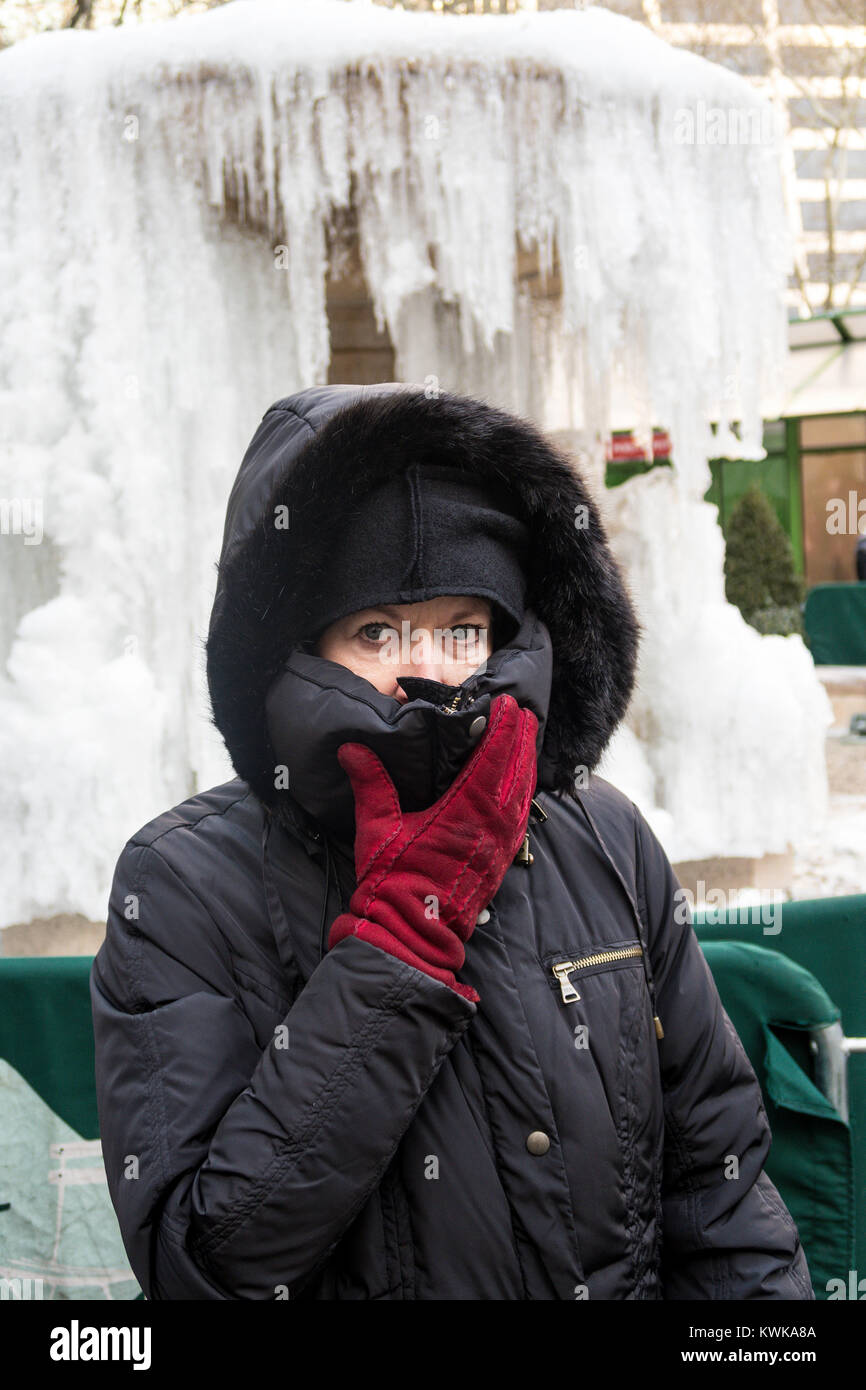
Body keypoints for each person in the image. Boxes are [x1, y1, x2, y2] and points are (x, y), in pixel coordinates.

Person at [90, 383, 814, 1301]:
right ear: (292, 647)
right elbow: (203, 1265)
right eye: (379, 632)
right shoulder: (181, 886)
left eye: (464, 630)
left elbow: (723, 1197)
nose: (430, 676)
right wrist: (396, 950)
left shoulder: (605, 834)